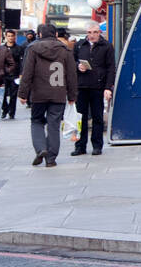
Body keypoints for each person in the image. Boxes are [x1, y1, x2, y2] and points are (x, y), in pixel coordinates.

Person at [18, 23, 77, 167]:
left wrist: (23, 93)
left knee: (37, 121)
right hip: (58, 93)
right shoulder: (65, 50)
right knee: (54, 125)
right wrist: (72, 95)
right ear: (56, 35)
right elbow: (71, 75)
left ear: (39, 35)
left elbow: (27, 73)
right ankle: (51, 158)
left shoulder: (33, 49)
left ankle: (40, 148)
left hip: (39, 93)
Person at [71, 22, 114, 156]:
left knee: (97, 117)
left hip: (98, 85)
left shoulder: (106, 46)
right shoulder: (79, 45)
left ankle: (97, 145)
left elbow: (111, 68)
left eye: (95, 32)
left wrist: (108, 87)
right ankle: (80, 146)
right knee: (80, 117)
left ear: (99, 32)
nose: (92, 35)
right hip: (82, 85)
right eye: (89, 32)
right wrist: (78, 66)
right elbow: (71, 62)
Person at [2, 30, 24, 119]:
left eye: (12, 36)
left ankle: (12, 112)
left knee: (13, 95)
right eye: (9, 36)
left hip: (15, 75)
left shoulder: (19, 48)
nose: (10, 37)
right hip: (3, 75)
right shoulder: (2, 48)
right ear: (6, 37)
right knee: (2, 94)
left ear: (15, 37)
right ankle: (5, 109)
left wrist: (21, 74)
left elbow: (22, 62)